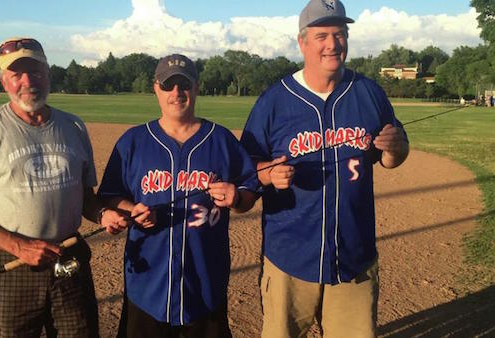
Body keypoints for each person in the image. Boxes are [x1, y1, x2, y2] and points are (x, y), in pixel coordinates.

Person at [240, 0, 410, 337]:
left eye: (340, 34)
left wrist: (395, 149)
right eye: (321, 36)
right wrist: (268, 174)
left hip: (354, 256)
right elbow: (247, 171)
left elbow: (392, 157)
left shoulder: (368, 93)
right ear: (302, 42)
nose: (332, 44)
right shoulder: (274, 101)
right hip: (289, 258)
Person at [0, 37, 126, 337]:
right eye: (16, 74)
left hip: (69, 258)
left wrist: (103, 213)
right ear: (4, 82)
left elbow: (86, 199)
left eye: (35, 71)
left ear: (48, 73)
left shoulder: (74, 127)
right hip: (11, 263)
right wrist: (19, 246)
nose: (28, 81)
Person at [97, 54, 258, 338]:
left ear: (196, 87)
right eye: (168, 85)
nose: (176, 93)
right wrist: (131, 208)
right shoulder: (133, 142)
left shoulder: (221, 140)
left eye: (183, 84)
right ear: (156, 89)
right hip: (147, 287)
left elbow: (248, 193)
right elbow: (110, 195)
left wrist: (236, 197)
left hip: (205, 285)